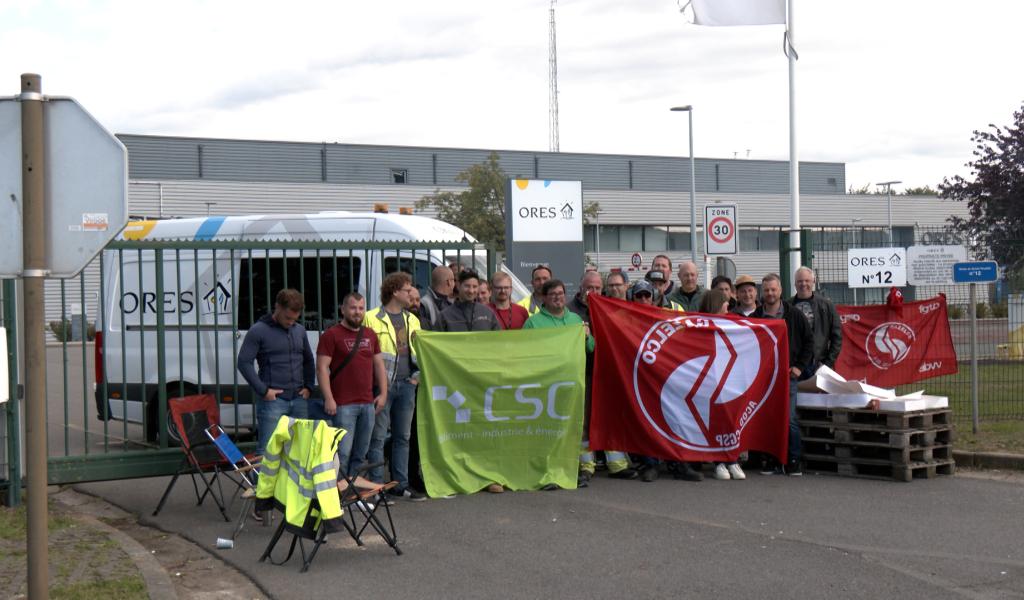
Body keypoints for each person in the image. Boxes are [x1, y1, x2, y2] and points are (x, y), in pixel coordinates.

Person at [524, 279, 597, 488]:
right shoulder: (533, 323)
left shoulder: (576, 319)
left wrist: (587, 337)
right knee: (549, 427)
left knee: (575, 426)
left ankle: (578, 469)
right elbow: (525, 353)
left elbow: (591, 348)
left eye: (561, 293)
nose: (557, 297)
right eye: (553, 294)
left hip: (573, 383)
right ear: (544, 298)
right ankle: (546, 470)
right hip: (546, 385)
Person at [567, 271, 638, 483]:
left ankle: (616, 463)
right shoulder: (570, 311)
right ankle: (586, 465)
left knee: (609, 417)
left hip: (608, 372)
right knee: (584, 418)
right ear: (581, 287)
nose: (594, 291)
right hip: (583, 371)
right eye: (590, 287)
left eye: (598, 288)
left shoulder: (609, 306)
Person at [364, 273, 426, 501]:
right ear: (394, 292)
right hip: (381, 386)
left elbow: (420, 353)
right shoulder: (371, 318)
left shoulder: (413, 320)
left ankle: (400, 484)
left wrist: (416, 377)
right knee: (378, 437)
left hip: (407, 384)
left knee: (403, 437)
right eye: (407, 290)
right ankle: (377, 487)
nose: (412, 294)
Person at [315, 293, 387, 477]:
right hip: (343, 405)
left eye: (361, 308)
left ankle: (353, 494)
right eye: (353, 308)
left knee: (360, 454)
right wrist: (329, 398)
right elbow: (322, 368)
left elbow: (379, 365)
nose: (357, 312)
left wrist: (384, 393)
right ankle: (338, 497)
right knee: (342, 454)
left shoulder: (370, 335)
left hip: (367, 403)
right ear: (343, 310)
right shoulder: (331, 335)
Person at [237, 289, 314, 460]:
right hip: (273, 401)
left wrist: (308, 386)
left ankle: (293, 487)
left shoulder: (299, 330)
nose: (291, 322)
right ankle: (261, 487)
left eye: (295, 319)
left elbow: (308, 360)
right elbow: (243, 362)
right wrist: (264, 391)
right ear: (277, 307)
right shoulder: (258, 330)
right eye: (288, 318)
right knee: (267, 451)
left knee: (300, 450)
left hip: (299, 398)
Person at [758, 273, 814, 476]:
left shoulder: (794, 315)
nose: (770, 293)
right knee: (766, 418)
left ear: (781, 290)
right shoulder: (756, 317)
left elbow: (809, 343)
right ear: (762, 292)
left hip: (788, 376)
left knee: (789, 419)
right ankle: (771, 459)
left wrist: (799, 366)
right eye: (766, 290)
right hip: (764, 379)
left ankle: (793, 460)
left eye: (773, 289)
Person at [697, 289, 746, 481]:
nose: (728, 306)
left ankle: (732, 459)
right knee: (715, 421)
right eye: (725, 302)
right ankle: (718, 462)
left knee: (730, 421)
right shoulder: (699, 324)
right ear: (716, 304)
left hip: (730, 381)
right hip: (710, 381)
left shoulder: (733, 322)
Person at [790, 266, 843, 376]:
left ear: (813, 281)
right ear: (794, 284)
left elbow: (837, 338)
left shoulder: (827, 306)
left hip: (818, 365)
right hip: (793, 367)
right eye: (799, 281)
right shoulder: (787, 306)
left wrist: (827, 364)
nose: (803, 284)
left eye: (807, 281)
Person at [417, 266, 455, 331]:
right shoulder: (424, 304)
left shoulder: (449, 302)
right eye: (453, 280)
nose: (454, 284)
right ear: (448, 282)